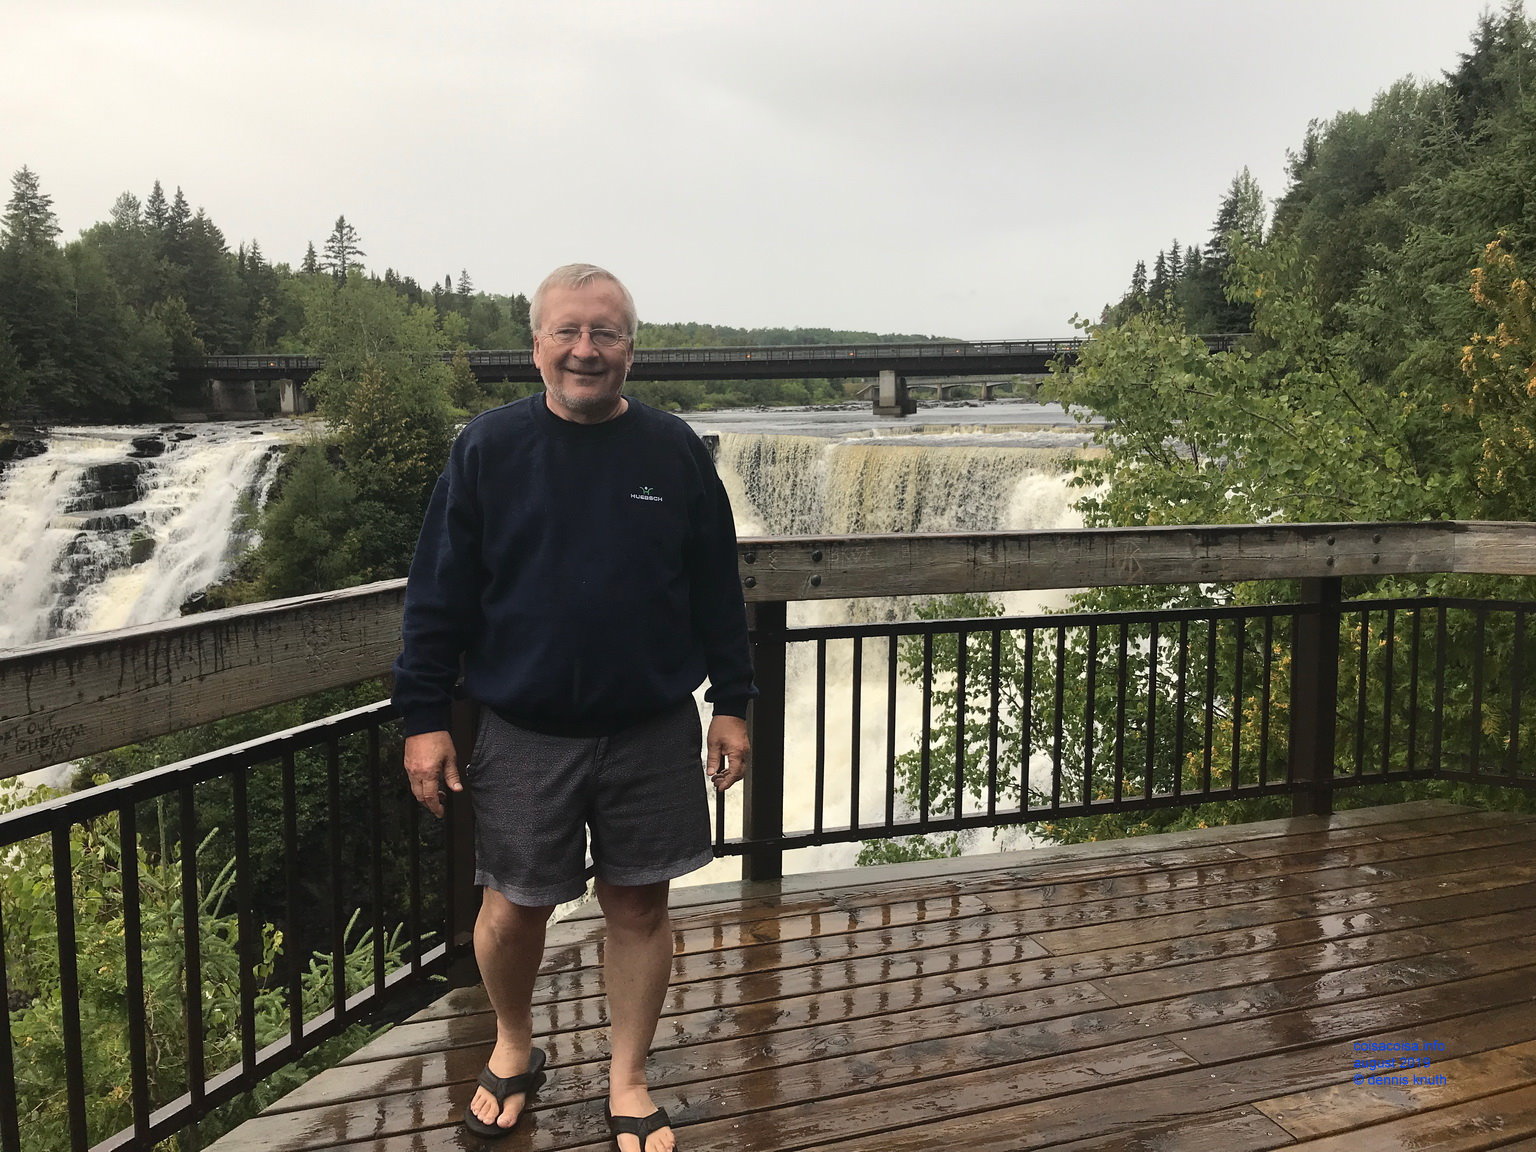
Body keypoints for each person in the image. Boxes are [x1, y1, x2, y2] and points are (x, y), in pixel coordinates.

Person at [392, 263, 755, 1151]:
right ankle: (514, 1045)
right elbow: (437, 596)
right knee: (512, 909)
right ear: (536, 347)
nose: (586, 351)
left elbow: (717, 592)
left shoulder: (675, 451)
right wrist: (423, 716)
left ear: (633, 349)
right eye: (568, 332)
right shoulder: (485, 449)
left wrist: (733, 704)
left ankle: (627, 1079)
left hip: (650, 729)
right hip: (521, 732)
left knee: (639, 908)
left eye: (606, 333)